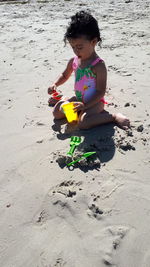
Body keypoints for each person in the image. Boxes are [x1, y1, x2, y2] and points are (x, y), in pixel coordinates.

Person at [48, 10, 130, 130]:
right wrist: (55, 84)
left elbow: (100, 91)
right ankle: (63, 99)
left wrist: (85, 105)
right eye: (73, 47)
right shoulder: (74, 61)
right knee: (56, 113)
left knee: (83, 123)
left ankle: (112, 117)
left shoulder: (98, 65)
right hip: (79, 99)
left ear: (93, 42)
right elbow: (65, 75)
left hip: (95, 102)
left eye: (80, 47)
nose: (76, 51)